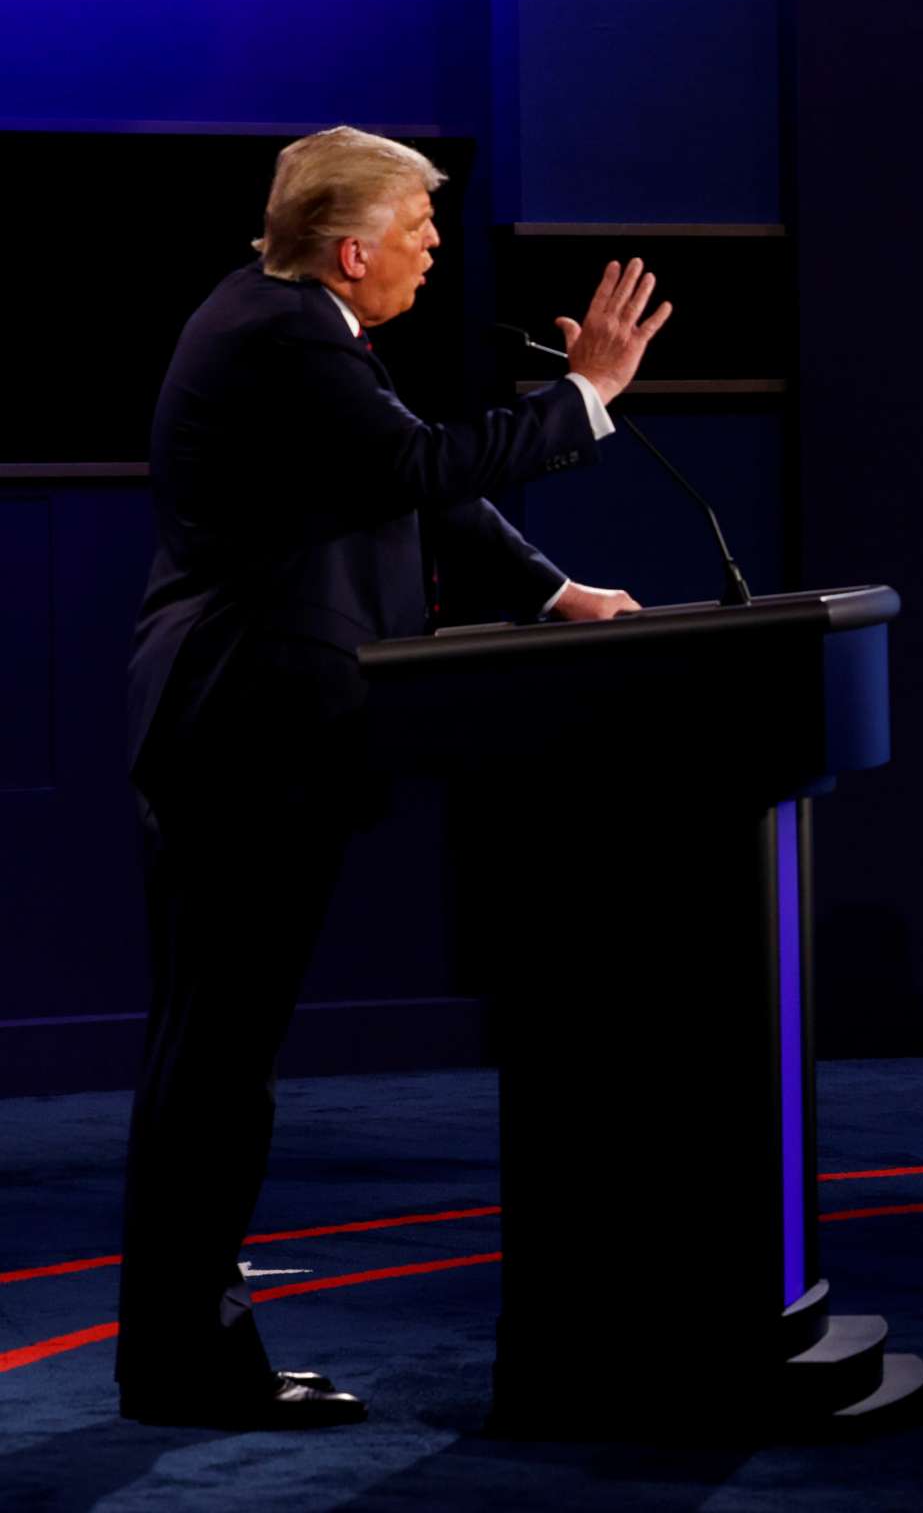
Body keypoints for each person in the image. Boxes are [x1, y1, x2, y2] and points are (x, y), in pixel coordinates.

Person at [118, 126, 672, 1428]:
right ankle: (184, 1358)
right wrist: (585, 396)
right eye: (419, 226)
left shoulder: (298, 327)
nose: (434, 245)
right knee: (215, 1058)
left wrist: (554, 592)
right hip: (238, 730)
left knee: (217, 1052)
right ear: (352, 244)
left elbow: (407, 485)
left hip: (247, 730)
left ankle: (185, 1345)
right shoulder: (283, 332)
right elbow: (418, 467)